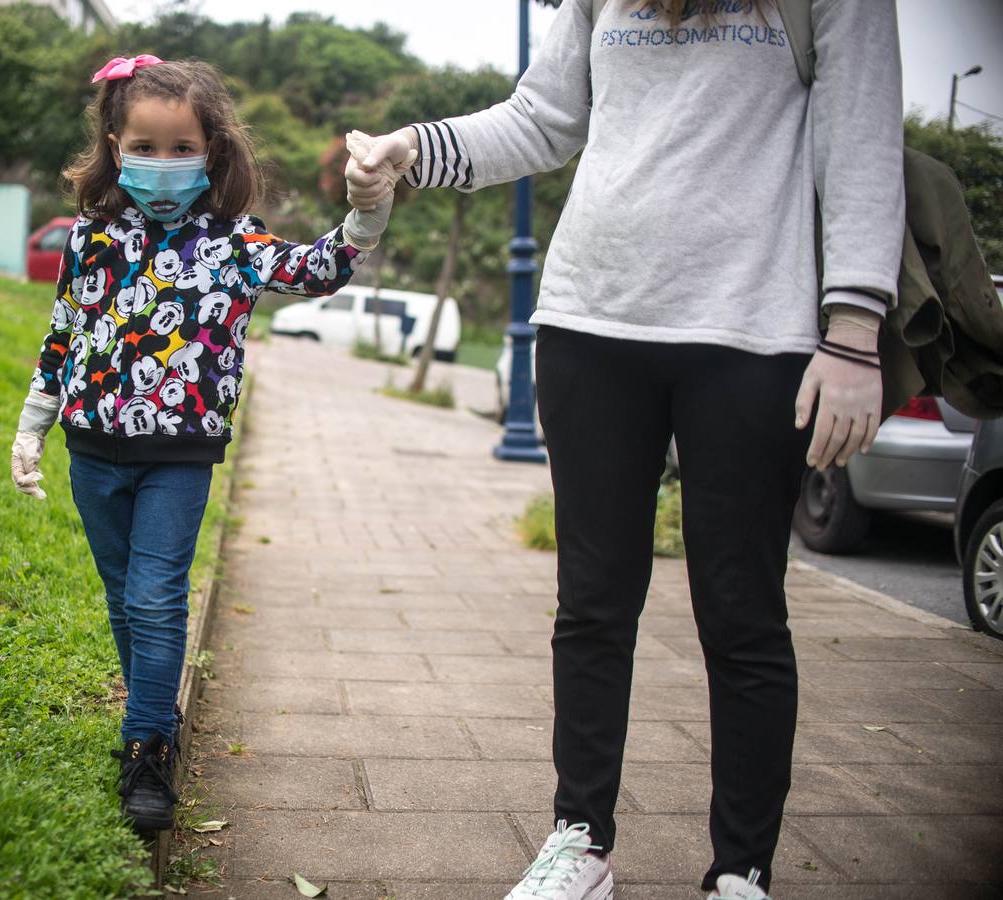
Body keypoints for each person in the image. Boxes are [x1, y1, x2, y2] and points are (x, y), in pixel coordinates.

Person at [347, 1, 902, 898]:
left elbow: (861, 142)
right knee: (593, 602)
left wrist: (853, 330)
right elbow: (542, 117)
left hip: (753, 329)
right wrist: (413, 146)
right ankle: (582, 842)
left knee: (742, 613)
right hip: (591, 321)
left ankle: (741, 871)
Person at [9, 55, 412, 833]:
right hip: (91, 451)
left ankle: (148, 747)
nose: (163, 164)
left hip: (179, 456)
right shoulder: (91, 237)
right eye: (146, 147)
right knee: (125, 599)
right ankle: (155, 712)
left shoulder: (236, 243)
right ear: (115, 145)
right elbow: (63, 331)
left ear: (214, 151)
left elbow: (317, 266)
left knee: (156, 596)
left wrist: (367, 212)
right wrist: (34, 424)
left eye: (181, 147)